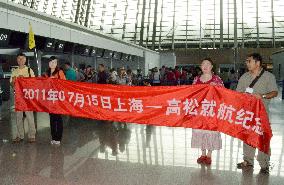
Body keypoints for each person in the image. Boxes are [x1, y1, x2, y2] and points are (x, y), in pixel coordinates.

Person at [236, 53, 278, 174]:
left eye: (249, 61)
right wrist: (243, 96)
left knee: (263, 137)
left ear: (257, 63)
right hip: (248, 113)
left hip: (262, 114)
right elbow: (238, 94)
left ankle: (264, 163)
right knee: (248, 136)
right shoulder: (244, 77)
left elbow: (275, 92)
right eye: (246, 61)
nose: (247, 63)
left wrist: (262, 96)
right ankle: (248, 161)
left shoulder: (268, 77)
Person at [191, 58, 224, 165]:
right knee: (201, 132)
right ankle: (203, 153)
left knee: (211, 131)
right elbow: (191, 93)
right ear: (200, 67)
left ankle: (209, 154)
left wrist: (217, 88)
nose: (205, 66)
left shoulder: (217, 80)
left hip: (212, 110)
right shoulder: (196, 79)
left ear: (212, 66)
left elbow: (223, 94)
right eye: (203, 64)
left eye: (207, 64)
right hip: (200, 110)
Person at [10, 53, 36, 143]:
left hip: (28, 98)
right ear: (17, 60)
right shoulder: (14, 71)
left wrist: (24, 79)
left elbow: (34, 83)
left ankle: (32, 135)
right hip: (18, 98)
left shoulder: (29, 70)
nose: (20, 60)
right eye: (19, 59)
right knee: (18, 117)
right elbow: (12, 85)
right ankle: (20, 135)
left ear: (25, 60)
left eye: (22, 58)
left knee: (30, 117)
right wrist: (13, 82)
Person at [43, 56, 66, 146]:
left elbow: (65, 84)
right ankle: (53, 137)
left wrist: (55, 81)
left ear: (57, 64)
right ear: (48, 63)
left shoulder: (60, 72)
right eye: (51, 62)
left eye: (55, 62)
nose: (53, 64)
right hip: (49, 99)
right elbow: (42, 85)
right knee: (52, 119)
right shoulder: (46, 73)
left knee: (58, 119)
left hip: (57, 99)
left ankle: (58, 138)